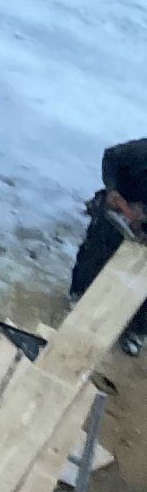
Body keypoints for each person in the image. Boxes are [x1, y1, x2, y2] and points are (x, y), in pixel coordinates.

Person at [69, 138, 147, 358]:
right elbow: (111, 156)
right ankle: (79, 294)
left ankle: (137, 329)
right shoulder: (141, 152)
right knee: (96, 251)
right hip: (120, 204)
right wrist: (113, 192)